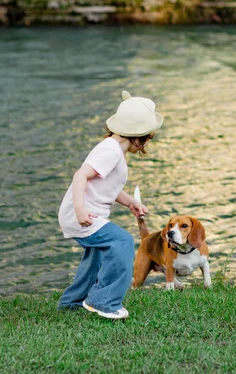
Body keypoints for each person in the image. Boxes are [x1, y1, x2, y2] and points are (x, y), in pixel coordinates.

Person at [57, 90, 164, 319]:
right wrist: (79, 209)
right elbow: (80, 176)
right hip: (81, 214)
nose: (146, 142)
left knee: (95, 256)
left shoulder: (114, 149)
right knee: (122, 241)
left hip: (85, 213)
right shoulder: (110, 151)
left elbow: (108, 186)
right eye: (146, 137)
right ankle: (104, 301)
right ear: (136, 135)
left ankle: (72, 302)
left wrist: (131, 203)